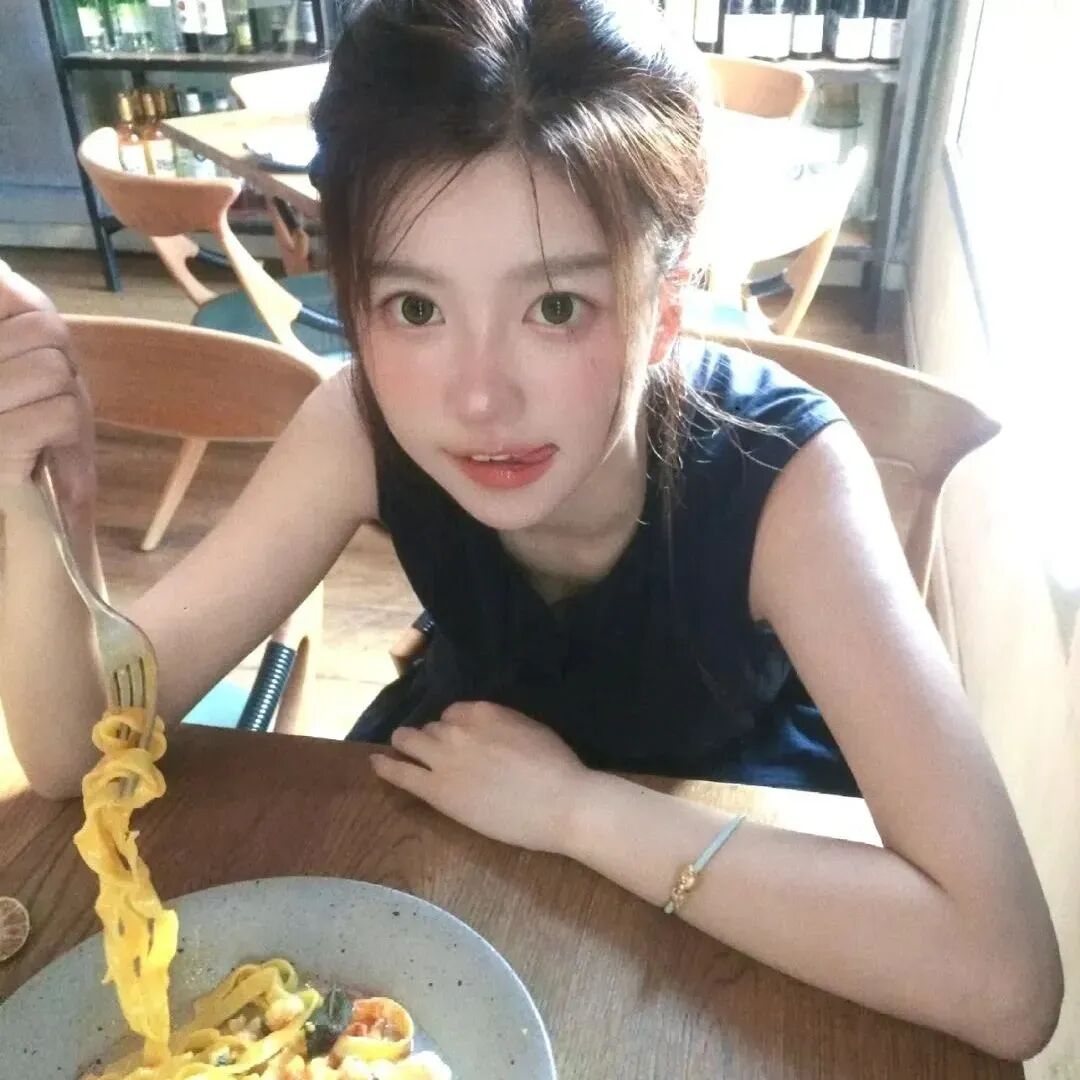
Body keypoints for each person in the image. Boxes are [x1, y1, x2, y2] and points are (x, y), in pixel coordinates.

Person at [0, 0, 1061, 1059]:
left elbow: (1005, 979)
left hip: (739, 864)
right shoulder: (357, 424)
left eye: (555, 308)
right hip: (463, 828)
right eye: (416, 308)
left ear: (668, 302)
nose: (477, 400)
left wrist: (576, 811)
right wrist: (37, 501)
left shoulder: (785, 480)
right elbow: (74, 754)